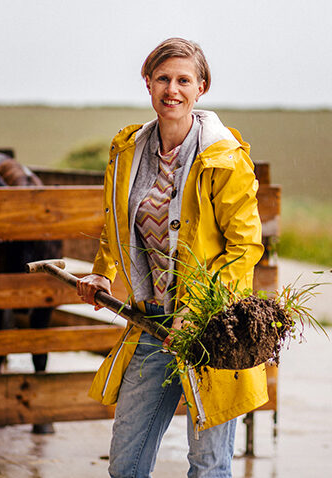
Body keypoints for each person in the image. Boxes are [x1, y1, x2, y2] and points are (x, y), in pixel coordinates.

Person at [76, 38, 268, 478]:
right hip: (151, 324)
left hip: (210, 330)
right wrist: (103, 275)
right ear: (147, 84)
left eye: (184, 79)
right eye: (163, 78)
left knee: (208, 465)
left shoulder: (224, 157)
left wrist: (195, 310)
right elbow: (117, 225)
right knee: (125, 463)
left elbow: (244, 248)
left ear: (202, 87)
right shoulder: (127, 151)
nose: (172, 89)